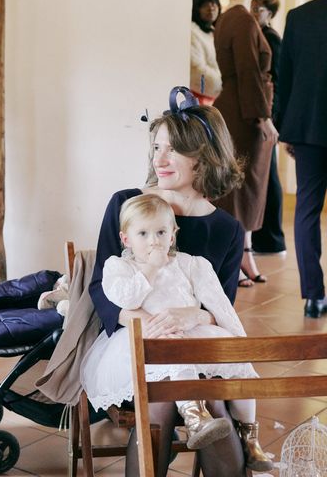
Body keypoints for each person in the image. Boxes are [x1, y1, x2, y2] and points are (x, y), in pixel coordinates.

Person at [88, 87, 248, 476]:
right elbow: (100, 287)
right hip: (133, 336)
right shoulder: (127, 204)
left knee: (214, 400)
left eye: (172, 150)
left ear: (203, 158)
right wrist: (146, 321)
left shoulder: (227, 229)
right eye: (156, 147)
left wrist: (191, 315)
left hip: (195, 338)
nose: (159, 159)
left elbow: (221, 307)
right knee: (159, 399)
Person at [81, 193, 272, 471]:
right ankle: (194, 415)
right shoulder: (119, 267)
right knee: (169, 366)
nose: (153, 241)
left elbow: (223, 310)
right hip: (143, 345)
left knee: (236, 370)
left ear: (172, 235)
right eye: (143, 233)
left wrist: (222, 334)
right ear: (126, 239)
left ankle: (250, 436)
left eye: (160, 232)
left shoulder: (191, 263)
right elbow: (126, 299)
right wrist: (150, 269)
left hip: (193, 337)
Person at [213, 0, 279, 287]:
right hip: (244, 115)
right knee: (240, 188)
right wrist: (264, 118)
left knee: (243, 188)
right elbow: (248, 71)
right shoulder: (240, 19)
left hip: (238, 110)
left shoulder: (229, 17)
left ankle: (243, 252)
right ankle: (235, 258)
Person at [277, 0, 327, 318]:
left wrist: (285, 128)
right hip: (307, 127)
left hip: (307, 127)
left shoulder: (298, 16)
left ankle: (314, 296)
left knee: (307, 207)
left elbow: (285, 77)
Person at [250, 0, 287, 254]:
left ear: (269, 13)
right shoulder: (258, 33)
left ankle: (271, 239)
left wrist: (270, 117)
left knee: (267, 176)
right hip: (265, 114)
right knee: (264, 175)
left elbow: (275, 82)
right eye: (253, 5)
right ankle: (268, 238)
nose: (255, 11)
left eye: (260, 8)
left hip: (267, 116)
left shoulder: (269, 37)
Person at [190, 0, 223, 105]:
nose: (211, 8)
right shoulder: (192, 32)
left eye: (214, 3)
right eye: (205, 5)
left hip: (213, 97)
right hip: (198, 98)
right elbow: (197, 70)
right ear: (196, 9)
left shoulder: (214, 32)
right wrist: (223, 84)